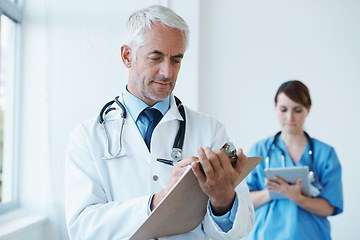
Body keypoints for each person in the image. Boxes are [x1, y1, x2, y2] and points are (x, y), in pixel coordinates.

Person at [65, 5, 254, 240]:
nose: (167, 72)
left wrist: (223, 202)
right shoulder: (87, 137)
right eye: (156, 58)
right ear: (127, 56)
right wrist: (158, 202)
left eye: (176, 60)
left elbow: (241, 227)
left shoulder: (210, 130)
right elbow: (82, 228)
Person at [245, 80, 343, 240]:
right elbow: (243, 200)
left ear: (308, 109)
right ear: (275, 108)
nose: (290, 117)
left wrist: (298, 198)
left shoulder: (325, 153)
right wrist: (273, 192)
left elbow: (330, 207)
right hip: (265, 235)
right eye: (283, 109)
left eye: (297, 110)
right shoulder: (259, 151)